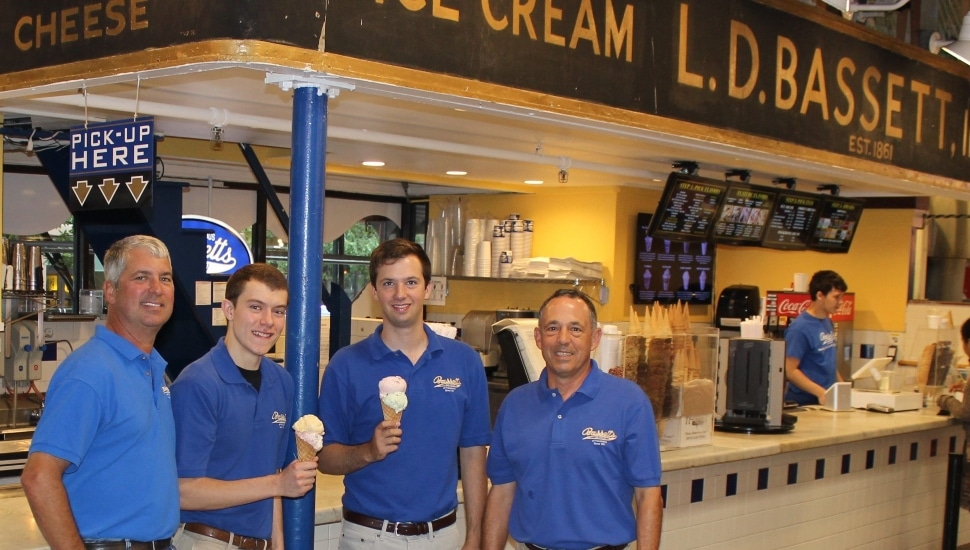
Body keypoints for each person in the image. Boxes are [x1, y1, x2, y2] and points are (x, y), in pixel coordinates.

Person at [317, 238, 491, 549]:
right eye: (388, 283)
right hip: (370, 537)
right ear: (374, 291)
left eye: (411, 282)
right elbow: (325, 457)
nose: (400, 294)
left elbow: (474, 453)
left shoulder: (464, 361)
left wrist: (475, 535)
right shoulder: (345, 365)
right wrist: (368, 451)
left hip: (444, 535)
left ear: (427, 289)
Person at [22, 235, 179, 549]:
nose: (156, 288)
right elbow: (39, 477)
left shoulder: (153, 368)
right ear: (110, 290)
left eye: (165, 278)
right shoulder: (90, 372)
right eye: (140, 277)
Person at [483, 289, 663, 550]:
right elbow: (501, 492)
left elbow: (649, 496)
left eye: (576, 329)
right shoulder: (515, 405)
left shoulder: (629, 402)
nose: (563, 340)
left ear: (595, 338)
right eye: (552, 328)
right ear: (538, 337)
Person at [170, 263, 318, 549]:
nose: (268, 321)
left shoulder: (282, 382)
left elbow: (273, 472)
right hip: (205, 540)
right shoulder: (198, 384)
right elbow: (183, 492)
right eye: (255, 307)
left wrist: (278, 544)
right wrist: (278, 485)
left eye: (278, 311)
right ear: (228, 309)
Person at [784, 270, 848, 406]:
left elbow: (828, 362)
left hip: (825, 400)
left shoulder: (827, 321)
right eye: (836, 297)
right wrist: (820, 392)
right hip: (804, 403)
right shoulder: (799, 328)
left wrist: (842, 388)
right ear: (820, 295)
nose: (840, 302)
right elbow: (789, 370)